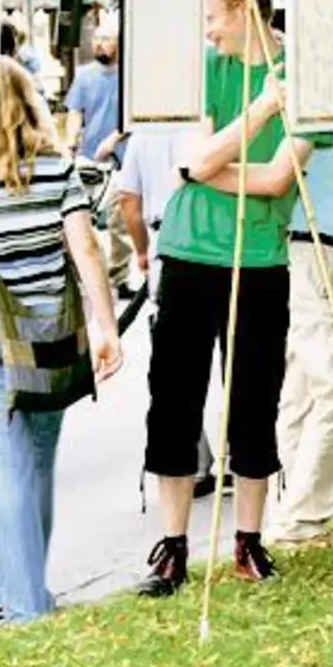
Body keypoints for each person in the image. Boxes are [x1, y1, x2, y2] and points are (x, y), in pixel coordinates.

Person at [136, 0, 325, 598]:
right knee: (174, 402)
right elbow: (186, 157)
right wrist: (259, 111)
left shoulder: (308, 77)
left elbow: (275, 180)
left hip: (259, 258)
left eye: (214, 15)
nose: (207, 28)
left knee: (253, 402)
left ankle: (248, 540)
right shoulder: (201, 72)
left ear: (245, 8)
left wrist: (205, 166)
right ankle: (173, 545)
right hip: (188, 256)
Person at [0, 58, 123, 623]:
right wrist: (105, 326)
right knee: (37, 460)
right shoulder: (58, 171)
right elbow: (85, 251)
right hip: (51, 334)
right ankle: (18, 581)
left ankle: (22, 600)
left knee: (9, 462)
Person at [265, 32, 333, 546]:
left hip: (309, 248)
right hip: (311, 249)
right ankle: (300, 519)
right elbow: (282, 175)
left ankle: (293, 512)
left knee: (305, 390)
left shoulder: (309, 96)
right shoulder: (315, 98)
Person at [114, 129, 229, 500]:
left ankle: (192, 464)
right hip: (222, 239)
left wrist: (142, 250)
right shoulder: (211, 120)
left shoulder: (144, 132)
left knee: (178, 366)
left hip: (168, 242)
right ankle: (234, 456)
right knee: (235, 355)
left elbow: (129, 201)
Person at [63, 18, 134, 298]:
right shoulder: (83, 76)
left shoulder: (128, 76)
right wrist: (70, 142)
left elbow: (134, 117)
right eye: (96, 39)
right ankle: (87, 273)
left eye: (106, 38)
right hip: (88, 160)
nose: (99, 44)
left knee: (120, 222)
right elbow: (75, 113)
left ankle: (120, 276)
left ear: (118, 43)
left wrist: (116, 139)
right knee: (83, 221)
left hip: (122, 159)